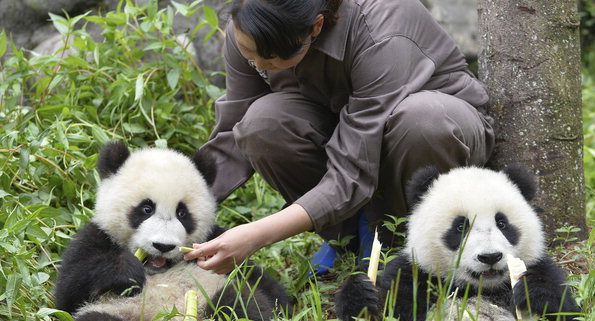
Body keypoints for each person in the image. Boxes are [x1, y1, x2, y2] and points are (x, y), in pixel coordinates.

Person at [185, 0, 495, 275]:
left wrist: (256, 235)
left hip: (433, 132)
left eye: (273, 58)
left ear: (315, 27)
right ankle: (348, 239)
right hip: (343, 129)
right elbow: (231, 134)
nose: (260, 65)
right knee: (261, 123)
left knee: (422, 121)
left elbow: (352, 168)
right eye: (250, 55)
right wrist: (174, 209)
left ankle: (401, 246)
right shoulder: (251, 28)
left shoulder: (381, 26)